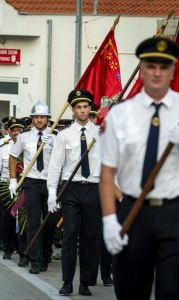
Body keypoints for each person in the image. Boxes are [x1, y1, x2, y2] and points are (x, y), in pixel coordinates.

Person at [100, 36, 179, 300]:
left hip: (174, 213)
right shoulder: (121, 114)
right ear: (142, 69)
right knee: (132, 290)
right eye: (151, 66)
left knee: (172, 290)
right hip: (133, 211)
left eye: (164, 67)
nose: (157, 73)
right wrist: (110, 220)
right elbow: (107, 172)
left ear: (172, 70)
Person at [47, 90, 102, 296]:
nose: (82, 110)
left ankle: (86, 282)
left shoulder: (100, 133)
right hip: (71, 189)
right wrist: (52, 191)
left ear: (90, 109)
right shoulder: (64, 135)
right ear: (73, 110)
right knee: (70, 236)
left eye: (85, 107)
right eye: (78, 107)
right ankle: (67, 281)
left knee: (90, 237)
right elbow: (55, 165)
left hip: (94, 189)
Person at [9, 100, 57, 274]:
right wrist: (13, 180)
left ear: (48, 118)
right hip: (31, 183)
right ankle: (35, 261)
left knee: (50, 223)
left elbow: (65, 158)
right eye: (36, 117)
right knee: (33, 223)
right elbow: (13, 156)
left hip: (51, 183)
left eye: (42, 117)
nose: (39, 120)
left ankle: (46, 255)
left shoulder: (56, 136)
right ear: (32, 119)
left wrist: (53, 143)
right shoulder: (23, 137)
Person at [0, 118, 25, 259]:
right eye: (14, 130)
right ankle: (7, 248)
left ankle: (22, 250)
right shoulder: (4, 148)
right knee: (8, 218)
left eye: (19, 130)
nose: (16, 132)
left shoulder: (28, 146)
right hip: (6, 187)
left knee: (22, 219)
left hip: (23, 187)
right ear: (9, 131)